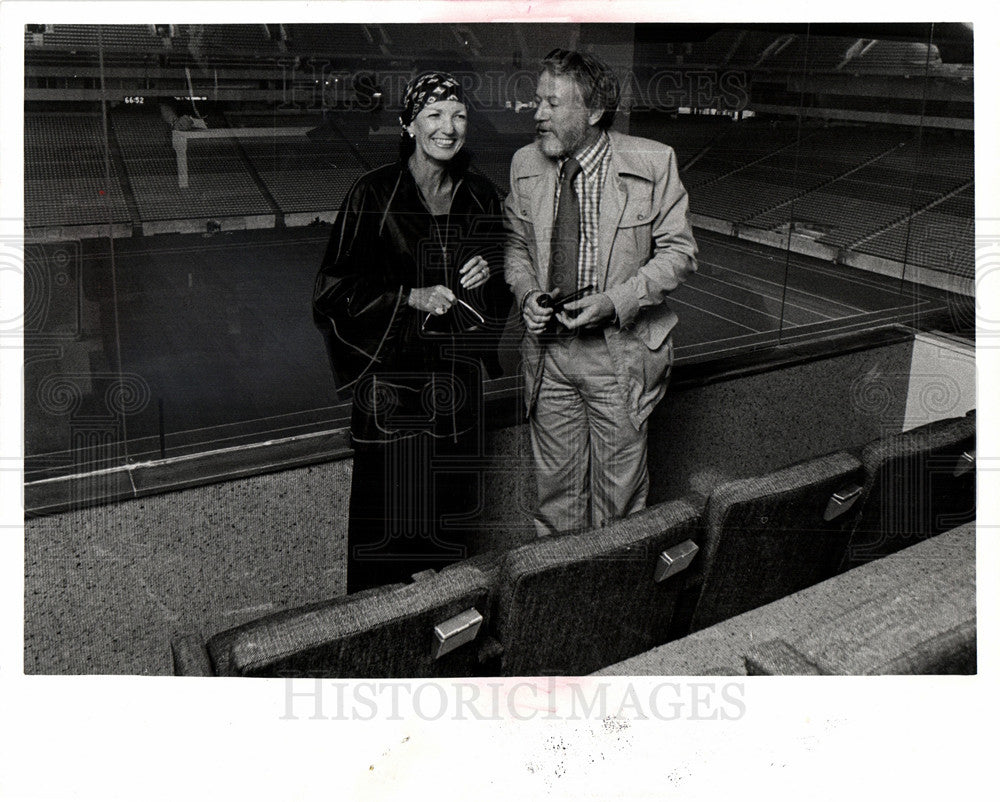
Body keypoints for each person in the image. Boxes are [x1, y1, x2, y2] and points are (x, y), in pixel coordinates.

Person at [313, 71, 510, 593]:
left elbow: (504, 291)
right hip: (392, 400)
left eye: (459, 114)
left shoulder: (484, 197)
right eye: (435, 115)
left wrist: (490, 272)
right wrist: (410, 298)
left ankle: (445, 652)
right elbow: (330, 295)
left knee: (446, 538)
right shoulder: (372, 194)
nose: (449, 127)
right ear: (408, 124)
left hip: (456, 398)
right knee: (386, 543)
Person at [504, 49, 698, 536]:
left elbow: (679, 253)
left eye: (552, 103)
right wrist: (527, 293)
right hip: (548, 358)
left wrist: (615, 302)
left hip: (620, 356)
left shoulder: (653, 161)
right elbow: (515, 246)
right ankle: (559, 605)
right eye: (537, 101)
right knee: (556, 506)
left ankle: (615, 607)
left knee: (619, 509)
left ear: (593, 111)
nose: (538, 114)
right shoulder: (524, 163)